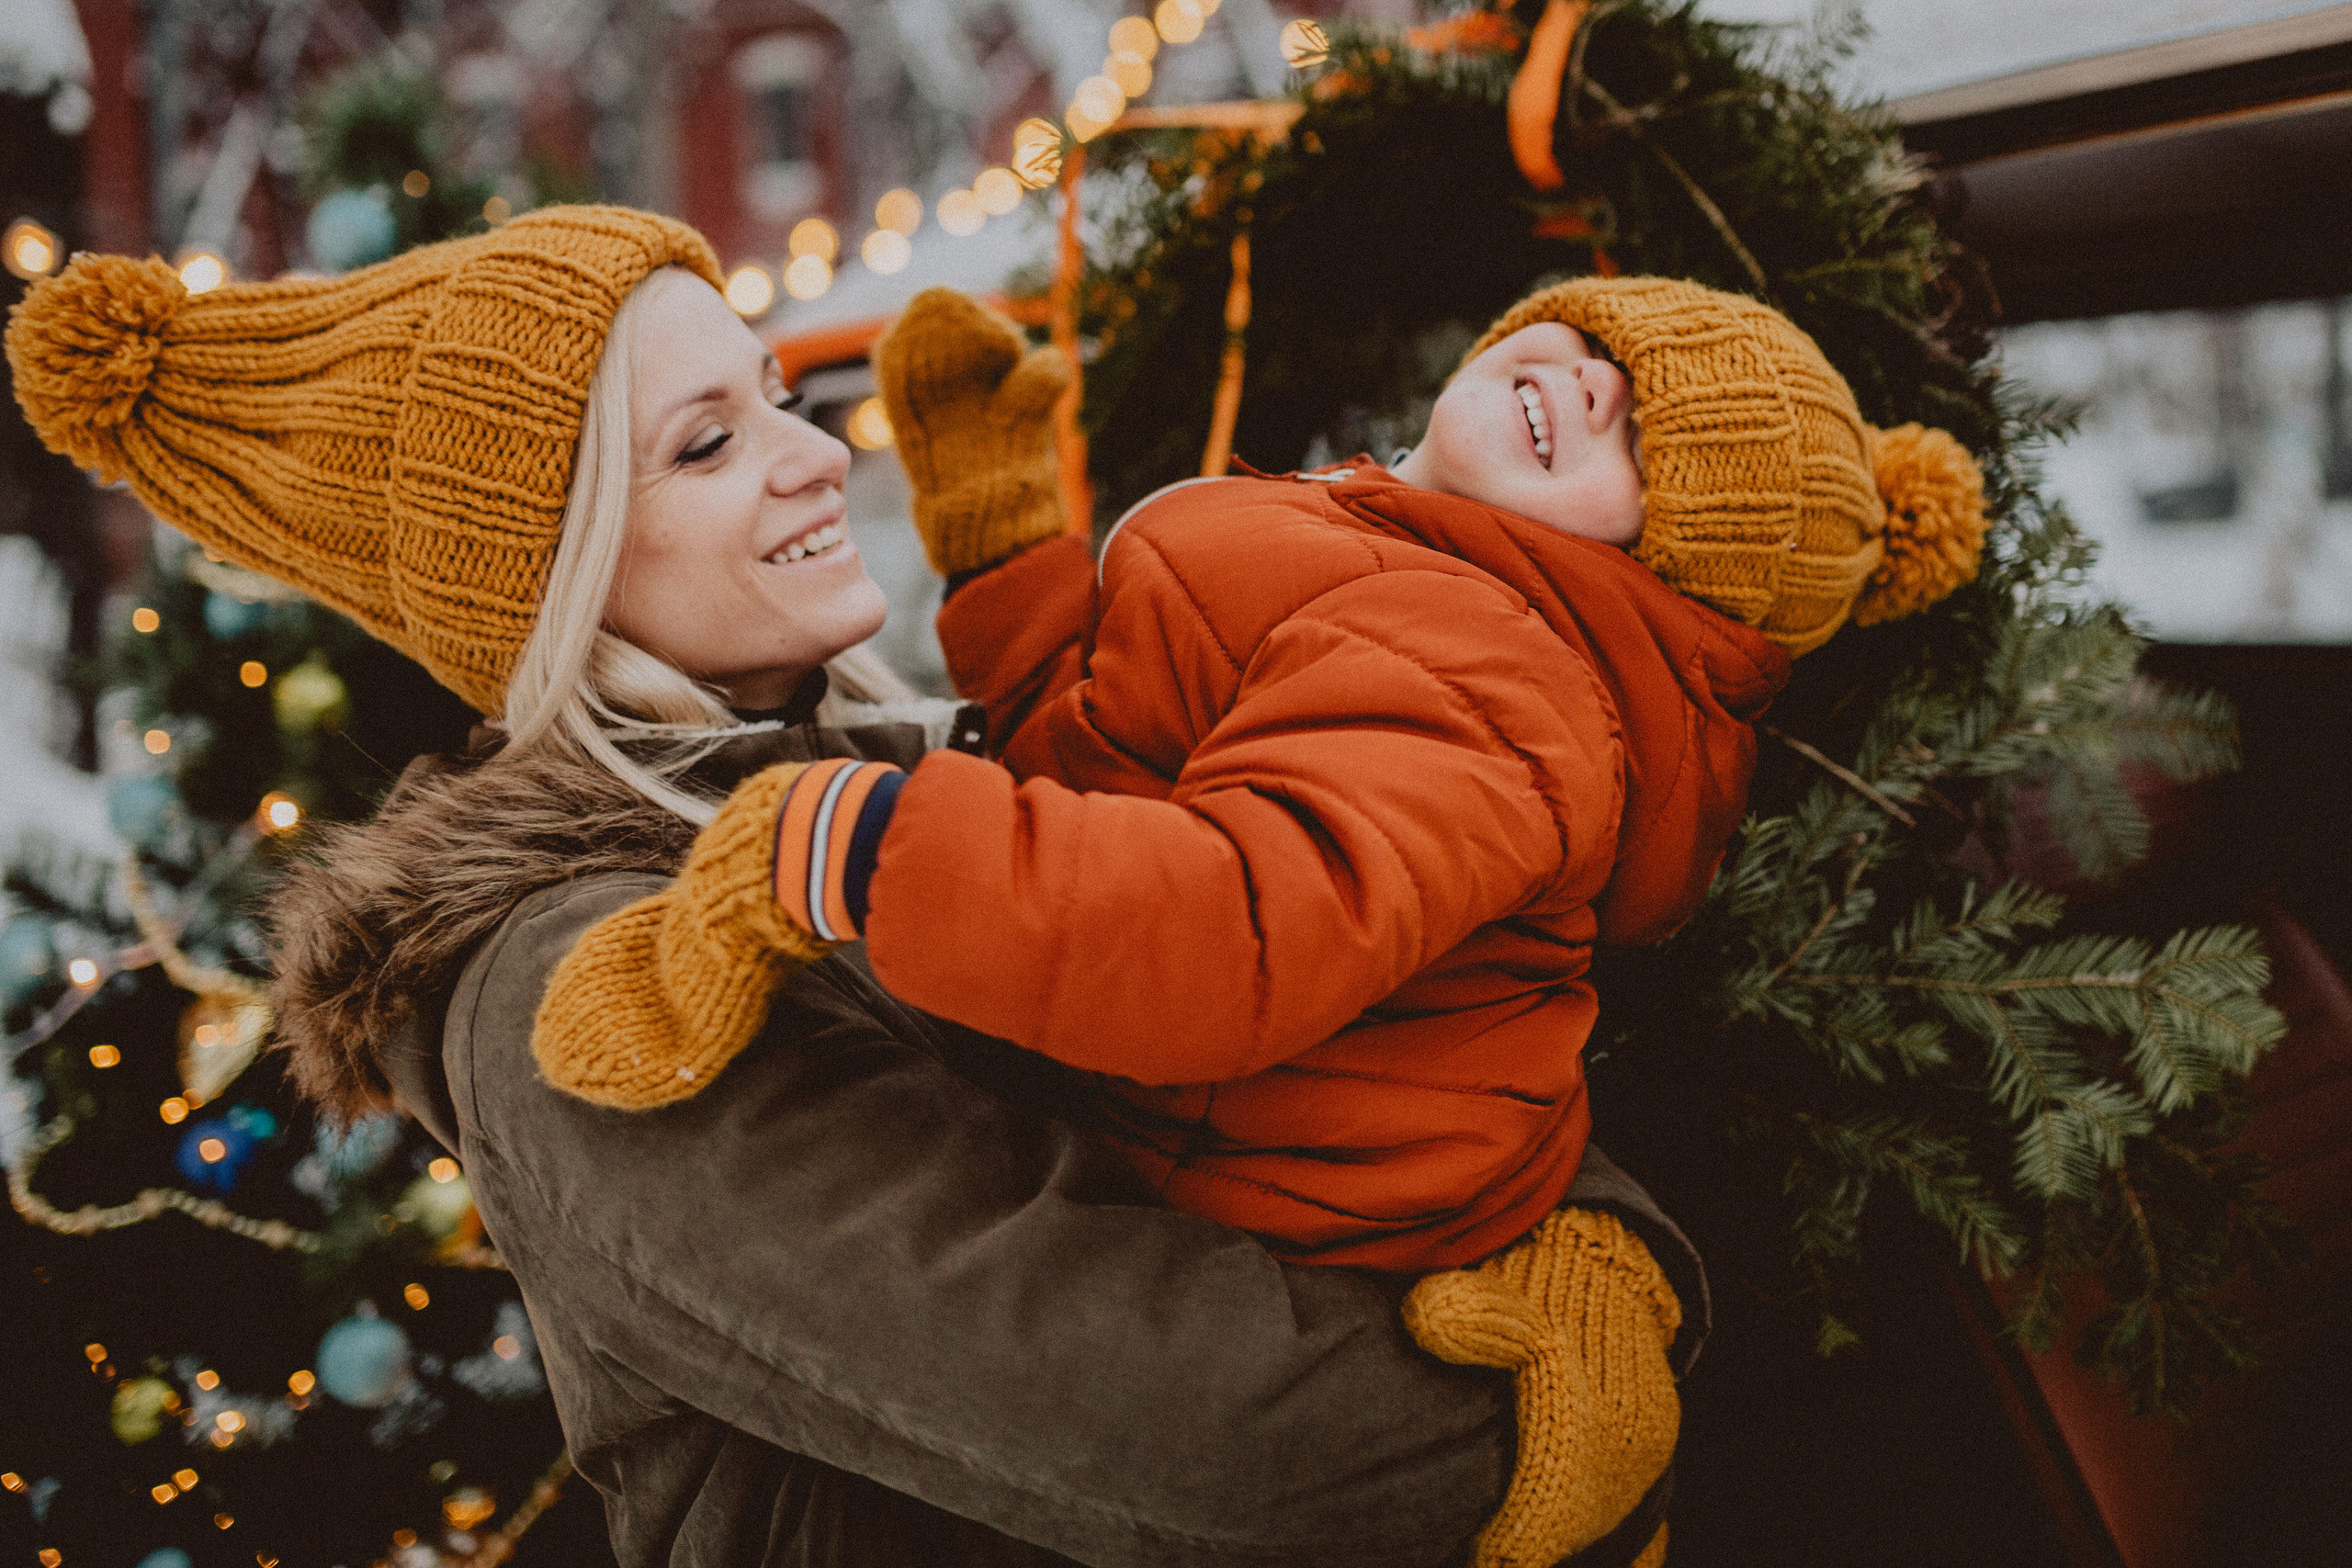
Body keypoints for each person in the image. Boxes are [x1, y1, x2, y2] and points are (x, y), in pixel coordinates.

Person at [6, 207, 1704, 1568]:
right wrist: (1547, 1399)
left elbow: (1390, 993)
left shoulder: (927, 795)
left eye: (780, 401)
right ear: (563, 575)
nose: (817, 457)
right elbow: (1207, 1433)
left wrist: (1601, 1263)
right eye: (704, 445)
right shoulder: (581, 988)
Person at [521, 276, 1985, 1564]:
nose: (1600, 387)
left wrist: (837, 846)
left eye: (1648, 452)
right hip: (1288, 1126)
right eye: (1610, 348)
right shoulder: (1385, 553)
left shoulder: (1491, 668)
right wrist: (1008, 553)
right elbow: (1119, 770)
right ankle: (1551, 1264)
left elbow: (1217, 932)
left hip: (1290, 1177)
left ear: (1646, 590)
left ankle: (1555, 1287)